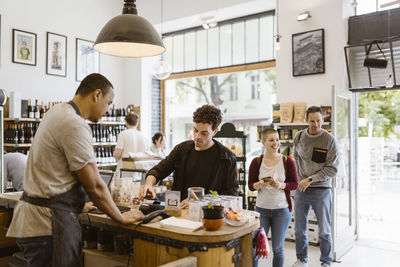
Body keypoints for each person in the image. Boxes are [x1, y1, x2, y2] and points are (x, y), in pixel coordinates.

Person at [7, 73, 144, 267]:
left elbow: (56, 173)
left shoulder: (57, 111)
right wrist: (120, 216)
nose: (108, 110)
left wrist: (78, 203)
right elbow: (95, 186)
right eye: (108, 102)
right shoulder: (74, 123)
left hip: (35, 220)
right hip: (49, 224)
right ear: (97, 95)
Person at [140, 105, 238, 208]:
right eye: (195, 130)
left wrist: (201, 200)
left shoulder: (227, 158)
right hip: (179, 211)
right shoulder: (182, 149)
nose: (197, 137)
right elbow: (160, 169)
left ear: (214, 131)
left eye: (204, 133)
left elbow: (231, 193)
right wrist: (148, 184)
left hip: (210, 215)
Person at [292, 106, 339, 267]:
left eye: (318, 120)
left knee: (324, 230)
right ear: (306, 120)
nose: (316, 124)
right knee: (299, 229)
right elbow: (296, 158)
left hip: (322, 190)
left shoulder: (329, 140)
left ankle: (326, 261)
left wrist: (311, 179)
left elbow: (333, 168)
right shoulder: (299, 137)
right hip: (302, 189)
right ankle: (301, 260)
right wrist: (300, 179)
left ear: (323, 119)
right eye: (312, 121)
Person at [248, 128, 298, 267]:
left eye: (277, 139)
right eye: (271, 140)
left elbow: (294, 184)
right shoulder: (256, 162)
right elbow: (251, 186)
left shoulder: (287, 161)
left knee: (277, 248)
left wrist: (280, 185)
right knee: (256, 247)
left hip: (282, 210)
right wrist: (261, 183)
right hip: (261, 210)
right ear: (263, 142)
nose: (275, 143)